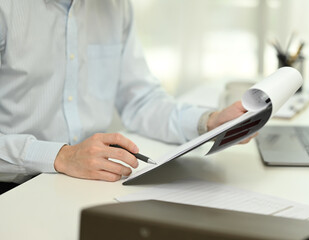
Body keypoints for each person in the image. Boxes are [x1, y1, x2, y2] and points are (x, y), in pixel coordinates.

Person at [0, 0, 253, 192]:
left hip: (90, 186)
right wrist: (61, 156)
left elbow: (141, 100)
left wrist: (209, 122)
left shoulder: (115, 6)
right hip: (14, 189)